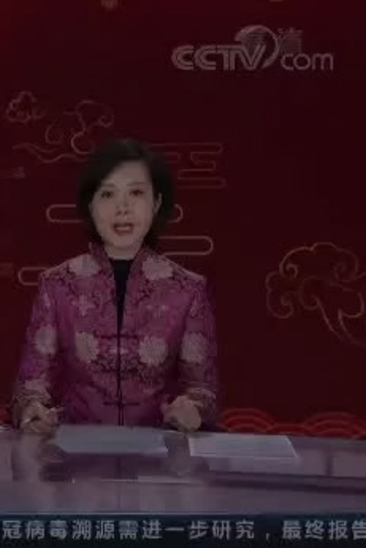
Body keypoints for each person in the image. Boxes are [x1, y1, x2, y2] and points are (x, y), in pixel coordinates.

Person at [11, 138, 219, 433]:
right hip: (75, 450)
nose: (123, 208)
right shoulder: (56, 285)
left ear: (156, 203)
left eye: (136, 192)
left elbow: (203, 390)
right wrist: (31, 408)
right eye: (108, 194)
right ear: (90, 206)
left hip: (158, 449)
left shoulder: (188, 290)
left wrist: (194, 409)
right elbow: (31, 385)